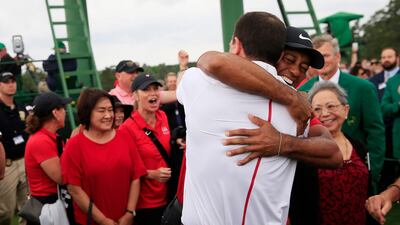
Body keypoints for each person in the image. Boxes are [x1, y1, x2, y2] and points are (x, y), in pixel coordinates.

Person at [195, 26, 342, 225]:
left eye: (304, 67)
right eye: (289, 60)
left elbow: (333, 154)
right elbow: (211, 61)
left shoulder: (296, 110)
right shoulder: (221, 86)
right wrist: (290, 97)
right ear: (271, 55)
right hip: (199, 212)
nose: (295, 71)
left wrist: (281, 143)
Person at [177, 12, 307, 225]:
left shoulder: (197, 83)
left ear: (236, 44)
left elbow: (206, 64)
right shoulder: (299, 109)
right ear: (280, 55)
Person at [299, 34, 386, 193]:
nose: (322, 61)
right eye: (317, 57)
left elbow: (375, 132)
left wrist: (371, 172)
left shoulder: (362, 87)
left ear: (338, 56)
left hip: (356, 171)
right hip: (316, 175)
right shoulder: (302, 91)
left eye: (325, 55)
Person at [61, 88, 147, 225]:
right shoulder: (74, 146)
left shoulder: (125, 137)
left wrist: (130, 213)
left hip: (126, 220)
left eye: (110, 109)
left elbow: (135, 177)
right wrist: (102, 220)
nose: (108, 115)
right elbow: (74, 189)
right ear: (87, 112)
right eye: (101, 111)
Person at [308, 81, 370, 225]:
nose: (324, 114)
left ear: (346, 110)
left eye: (331, 106)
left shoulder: (359, 146)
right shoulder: (307, 150)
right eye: (317, 109)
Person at [119, 74, 174, 225]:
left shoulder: (163, 116)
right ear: (135, 95)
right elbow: (126, 169)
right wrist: (152, 174)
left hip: (170, 195)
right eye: (146, 90)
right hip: (146, 204)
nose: (153, 93)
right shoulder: (127, 128)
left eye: (155, 88)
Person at [24, 92, 72, 225]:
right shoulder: (41, 140)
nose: (65, 112)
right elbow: (61, 177)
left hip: (54, 202)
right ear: (55, 113)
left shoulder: (50, 137)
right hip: (47, 208)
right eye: (63, 108)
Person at [0, 72, 29, 225]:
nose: (11, 84)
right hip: (7, 165)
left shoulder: (21, 107)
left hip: (25, 161)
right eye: (6, 82)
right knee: (5, 211)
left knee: (28, 210)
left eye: (13, 81)